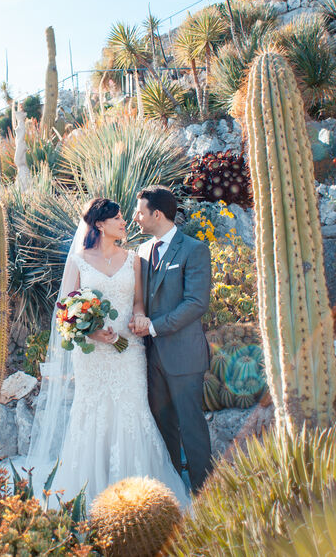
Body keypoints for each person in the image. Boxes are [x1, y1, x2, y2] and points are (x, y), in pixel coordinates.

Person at [26, 197, 190, 507]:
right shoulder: (78, 261)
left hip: (129, 350)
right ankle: (91, 496)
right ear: (100, 224)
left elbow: (139, 302)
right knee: (94, 415)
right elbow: (64, 312)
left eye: (123, 219)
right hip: (93, 356)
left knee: (133, 413)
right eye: (117, 219)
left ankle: (141, 503)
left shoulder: (134, 260)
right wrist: (93, 331)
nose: (124, 223)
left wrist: (138, 317)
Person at [131, 185, 214, 492]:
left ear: (157, 214)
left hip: (183, 355)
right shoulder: (140, 252)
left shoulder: (194, 249)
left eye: (140, 211)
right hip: (150, 357)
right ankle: (173, 490)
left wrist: (153, 326)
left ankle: (204, 492)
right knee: (162, 425)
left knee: (191, 426)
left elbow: (196, 303)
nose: (136, 217)